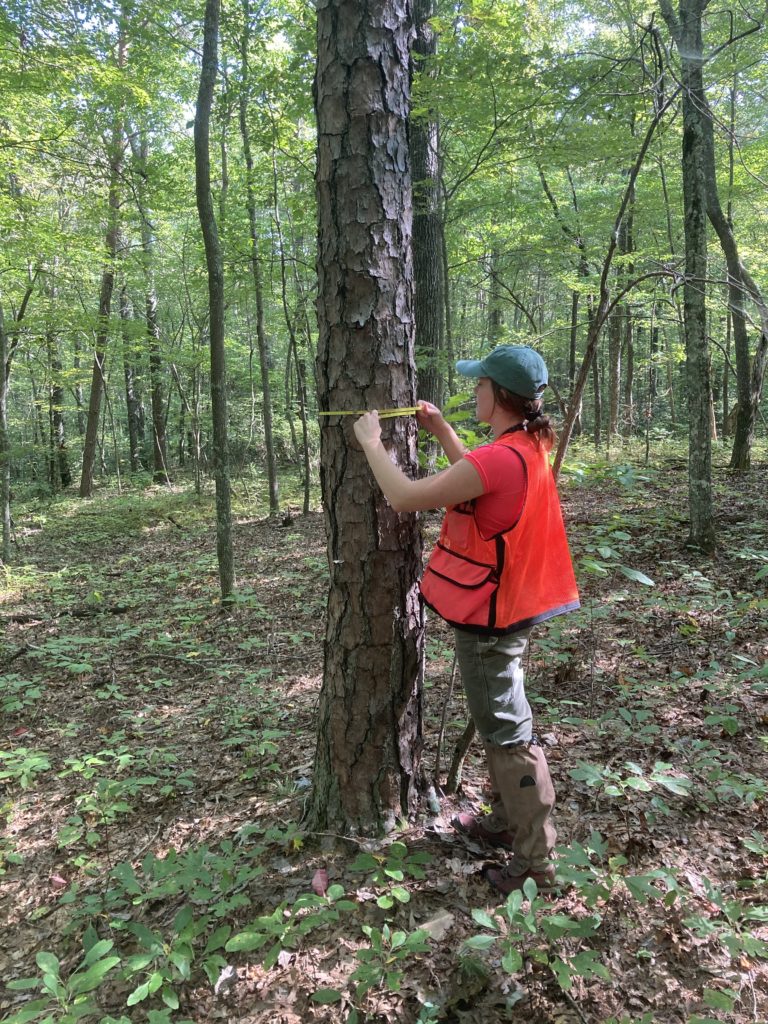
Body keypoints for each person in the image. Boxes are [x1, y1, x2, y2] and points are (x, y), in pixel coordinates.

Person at [352, 344, 579, 894]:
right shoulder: (525, 446)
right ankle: (506, 822)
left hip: (492, 617)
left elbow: (404, 496)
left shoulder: (501, 457)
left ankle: (536, 861)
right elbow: (478, 479)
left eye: (480, 384)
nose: (473, 391)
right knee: (504, 721)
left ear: (501, 396)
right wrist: (442, 433)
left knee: (507, 733)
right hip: (509, 607)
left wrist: (372, 444)